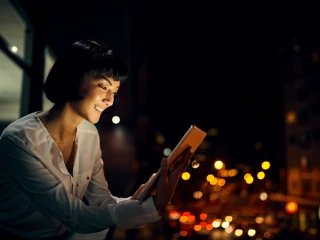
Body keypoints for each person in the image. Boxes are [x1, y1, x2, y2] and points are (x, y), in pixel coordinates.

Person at [0, 40, 192, 240]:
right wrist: (154, 205)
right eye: (103, 86)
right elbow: (74, 215)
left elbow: (101, 203)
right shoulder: (20, 139)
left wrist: (142, 199)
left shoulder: (89, 133)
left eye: (115, 91)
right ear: (73, 79)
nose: (110, 100)